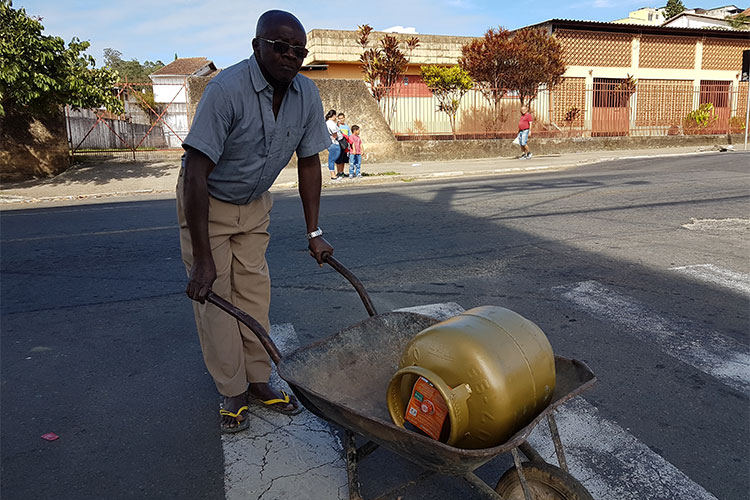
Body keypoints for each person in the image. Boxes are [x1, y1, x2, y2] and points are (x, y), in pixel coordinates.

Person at [177, 9, 334, 433]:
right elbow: (194, 171)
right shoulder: (225, 90)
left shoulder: (306, 95)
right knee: (218, 296)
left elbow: (309, 164)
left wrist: (314, 232)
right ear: (257, 46)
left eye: (298, 50)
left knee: (253, 295)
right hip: (207, 202)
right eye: (279, 46)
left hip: (255, 203)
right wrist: (203, 259)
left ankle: (259, 379)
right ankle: (232, 387)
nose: (289, 55)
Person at [325, 109, 341, 180]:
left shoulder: (328, 123)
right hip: (333, 143)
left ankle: (334, 174)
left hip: (333, 142)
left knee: (333, 158)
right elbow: (334, 133)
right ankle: (333, 175)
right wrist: (336, 137)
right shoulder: (330, 123)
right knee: (332, 159)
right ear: (333, 115)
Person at [335, 112, 350, 178]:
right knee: (339, 159)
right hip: (339, 144)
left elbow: (349, 135)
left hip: (345, 144)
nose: (341, 120)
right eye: (339, 118)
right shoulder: (337, 126)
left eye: (342, 118)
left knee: (344, 159)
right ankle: (338, 172)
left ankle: (342, 172)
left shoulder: (347, 127)